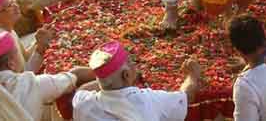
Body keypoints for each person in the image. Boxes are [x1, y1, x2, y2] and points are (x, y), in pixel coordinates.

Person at [0, 31, 95, 120]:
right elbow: (75, 75)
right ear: (11, 64)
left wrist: (39, 50)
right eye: (17, 54)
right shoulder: (34, 84)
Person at [73, 41, 203, 120]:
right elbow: (185, 97)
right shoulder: (149, 100)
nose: (135, 65)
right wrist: (192, 75)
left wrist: (104, 78)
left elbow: (81, 91)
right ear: (126, 75)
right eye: (130, 62)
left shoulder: (84, 105)